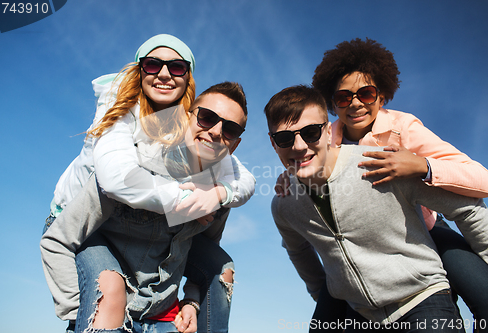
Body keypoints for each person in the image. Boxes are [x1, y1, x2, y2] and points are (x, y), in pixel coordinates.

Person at [42, 33, 255, 333]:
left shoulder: (218, 184)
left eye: (230, 129)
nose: (216, 132)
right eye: (206, 118)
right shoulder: (128, 138)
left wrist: (220, 194)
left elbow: (242, 183)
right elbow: (113, 180)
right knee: (109, 290)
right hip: (79, 222)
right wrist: (80, 313)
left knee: (222, 267)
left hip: (154, 294)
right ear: (188, 116)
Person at [275, 38, 488, 331]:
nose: (355, 103)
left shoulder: (404, 127)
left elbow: (480, 179)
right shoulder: (323, 135)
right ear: (333, 105)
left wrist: (423, 166)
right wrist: (290, 175)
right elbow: (304, 157)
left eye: (366, 93)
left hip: (423, 228)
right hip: (364, 253)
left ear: (382, 96)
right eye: (343, 98)